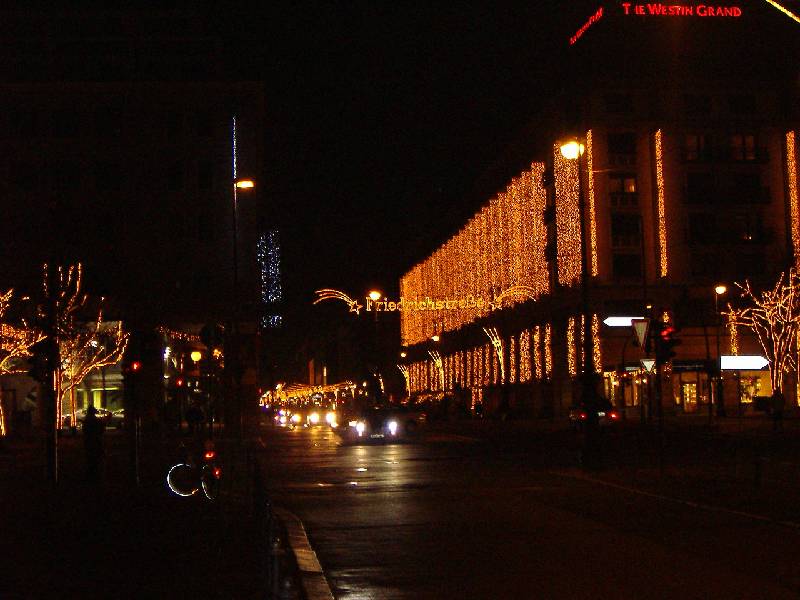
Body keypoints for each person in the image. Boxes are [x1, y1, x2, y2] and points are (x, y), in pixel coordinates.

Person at [83, 405, 106, 482]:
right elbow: (101, 429)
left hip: (89, 442)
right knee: (95, 460)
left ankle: (90, 475)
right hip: (95, 441)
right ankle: (95, 476)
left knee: (90, 459)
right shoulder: (95, 420)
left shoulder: (87, 420)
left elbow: (85, 431)